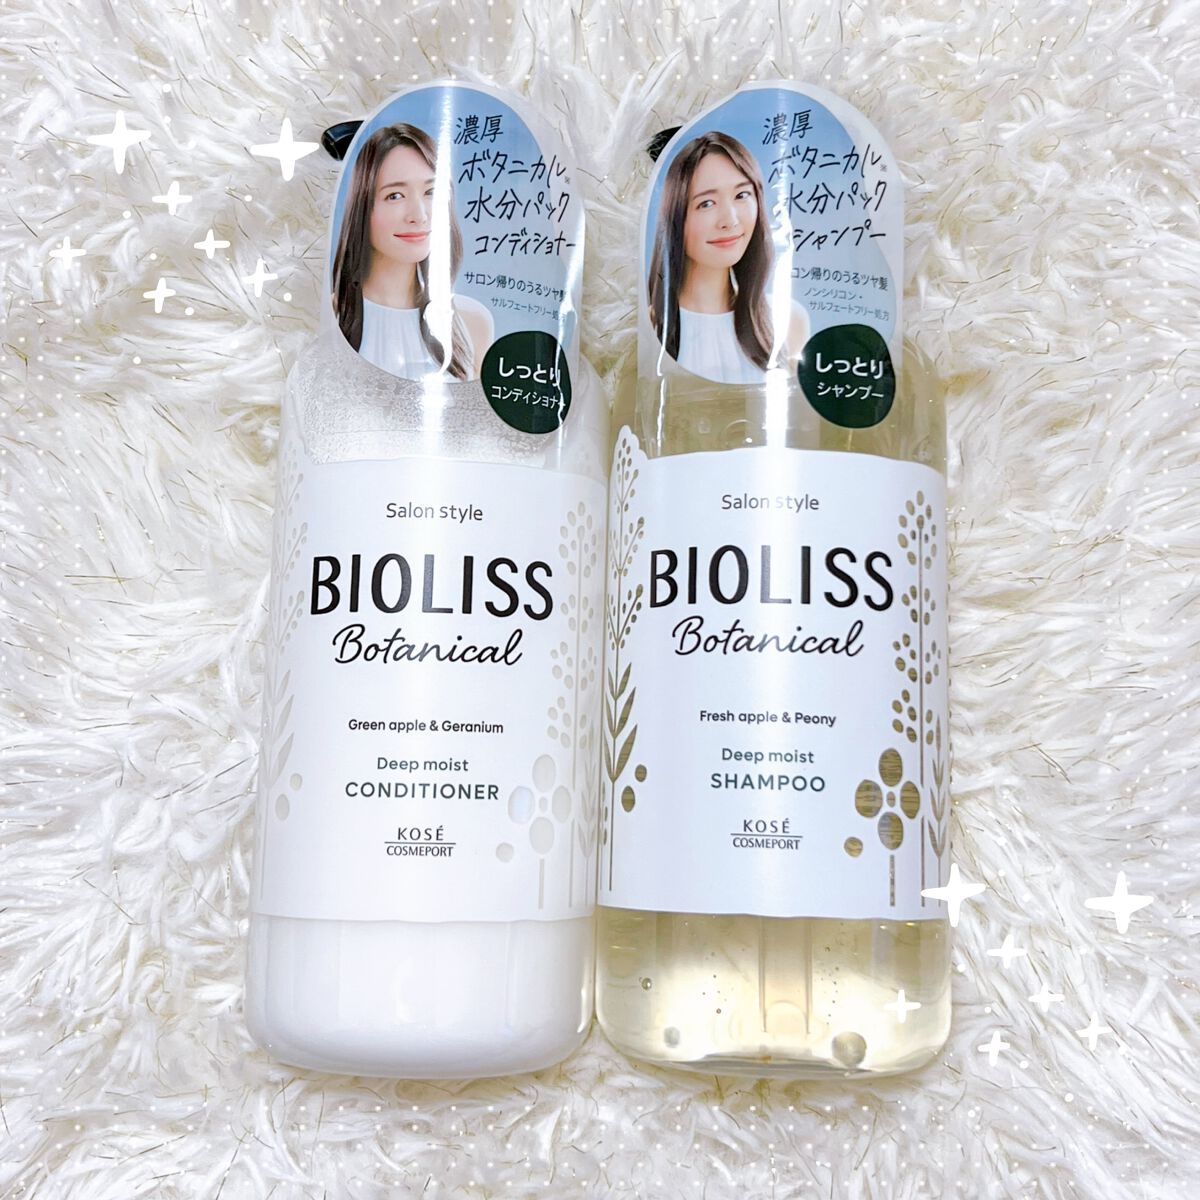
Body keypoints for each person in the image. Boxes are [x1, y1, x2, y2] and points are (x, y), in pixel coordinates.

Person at [331, 123, 493, 381]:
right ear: (363, 208)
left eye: (431, 192)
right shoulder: (334, 314)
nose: (419, 215)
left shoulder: (472, 321)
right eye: (395, 196)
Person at [648, 131, 809, 385]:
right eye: (706, 203)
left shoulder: (787, 320)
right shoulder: (651, 324)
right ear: (674, 215)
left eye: (741, 195)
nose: (730, 220)